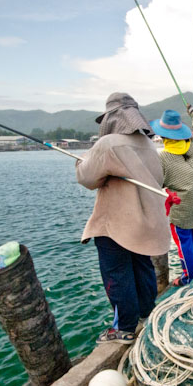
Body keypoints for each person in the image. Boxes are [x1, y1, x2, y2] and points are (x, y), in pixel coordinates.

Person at [76, 93, 171, 343]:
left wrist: (82, 162)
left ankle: (124, 328)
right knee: (142, 268)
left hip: (116, 225)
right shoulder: (149, 145)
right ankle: (145, 315)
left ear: (111, 118)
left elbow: (86, 178)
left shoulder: (108, 145)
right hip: (145, 222)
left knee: (117, 274)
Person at [151, 105, 193, 287]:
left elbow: (158, 183)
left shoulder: (162, 158)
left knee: (183, 241)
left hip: (184, 209)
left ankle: (189, 276)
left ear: (163, 136)